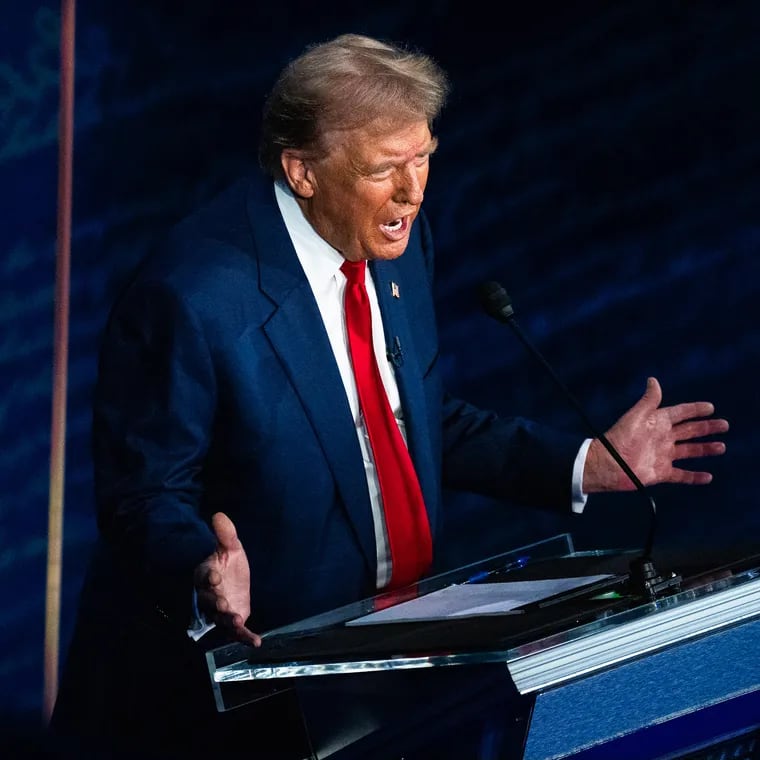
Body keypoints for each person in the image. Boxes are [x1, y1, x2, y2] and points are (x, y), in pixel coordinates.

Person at [49, 32, 728, 758]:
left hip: (381, 677)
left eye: (424, 157)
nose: (413, 191)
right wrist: (202, 566)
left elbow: (408, 421)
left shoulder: (397, 243)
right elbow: (143, 494)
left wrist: (583, 462)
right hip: (227, 708)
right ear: (302, 170)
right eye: (385, 169)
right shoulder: (191, 297)